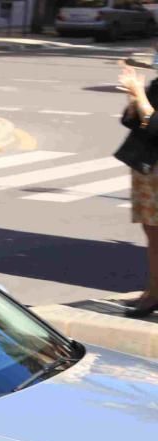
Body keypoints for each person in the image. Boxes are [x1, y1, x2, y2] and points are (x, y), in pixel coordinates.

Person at [116, 60, 158, 317]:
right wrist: (134, 97)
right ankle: (153, 292)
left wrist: (140, 95)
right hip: (148, 170)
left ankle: (153, 295)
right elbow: (135, 122)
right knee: (152, 234)